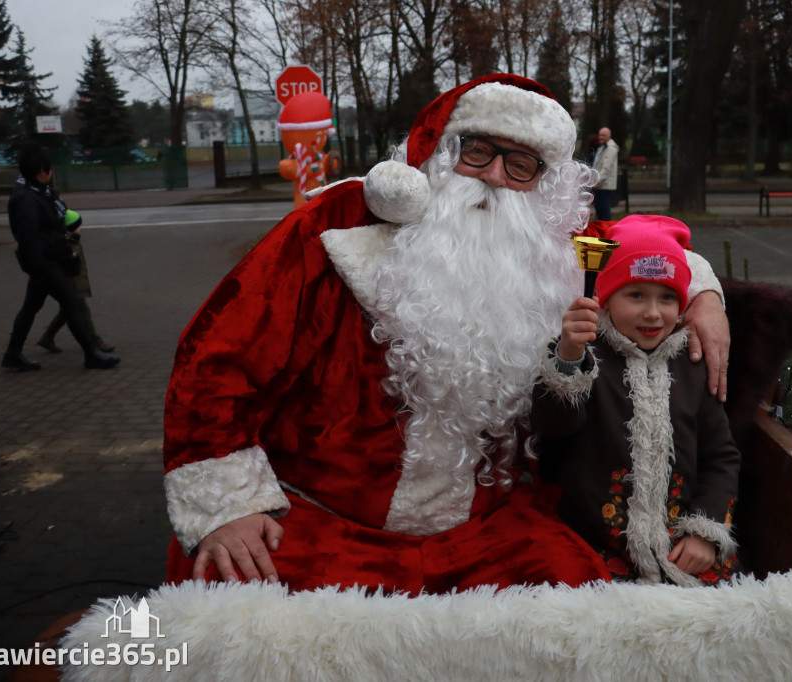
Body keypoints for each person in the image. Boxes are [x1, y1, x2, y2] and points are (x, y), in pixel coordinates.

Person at [162, 74, 731, 595]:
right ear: (436, 155)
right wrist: (230, 503)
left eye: (520, 165)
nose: (493, 177)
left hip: (488, 528)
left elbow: (649, 244)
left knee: (579, 604)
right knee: (235, 602)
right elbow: (217, 356)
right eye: (476, 151)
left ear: (542, 185)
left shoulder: (555, 246)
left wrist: (703, 292)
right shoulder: (338, 226)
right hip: (322, 513)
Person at [531, 215, 740, 586]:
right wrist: (567, 356)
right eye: (636, 295)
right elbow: (552, 429)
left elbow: (720, 456)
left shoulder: (692, 364)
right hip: (595, 543)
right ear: (607, 299)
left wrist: (704, 531)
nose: (652, 313)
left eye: (667, 298)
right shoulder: (588, 355)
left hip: (680, 546)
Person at [3, 146, 120, 371]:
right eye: (49, 169)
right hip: (44, 262)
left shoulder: (36, 192)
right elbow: (30, 237)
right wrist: (54, 250)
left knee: (31, 307)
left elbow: (49, 228)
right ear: (41, 171)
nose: (51, 173)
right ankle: (91, 353)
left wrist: (62, 239)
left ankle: (12, 353)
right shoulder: (27, 198)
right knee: (72, 302)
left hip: (46, 260)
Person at [35, 209, 116, 355]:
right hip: (70, 282)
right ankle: (94, 341)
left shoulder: (72, 241)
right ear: (70, 229)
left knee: (67, 311)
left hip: (73, 281)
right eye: (78, 226)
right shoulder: (65, 245)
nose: (80, 229)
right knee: (82, 311)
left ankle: (48, 337)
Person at [592, 127, 619, 221]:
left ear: (609, 136)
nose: (601, 137)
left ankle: (606, 231)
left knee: (603, 211)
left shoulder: (610, 149)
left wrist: (597, 181)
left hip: (604, 185)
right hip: (600, 185)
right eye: (600, 135)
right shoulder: (603, 147)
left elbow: (606, 168)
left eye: (603, 135)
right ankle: (603, 230)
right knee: (599, 210)